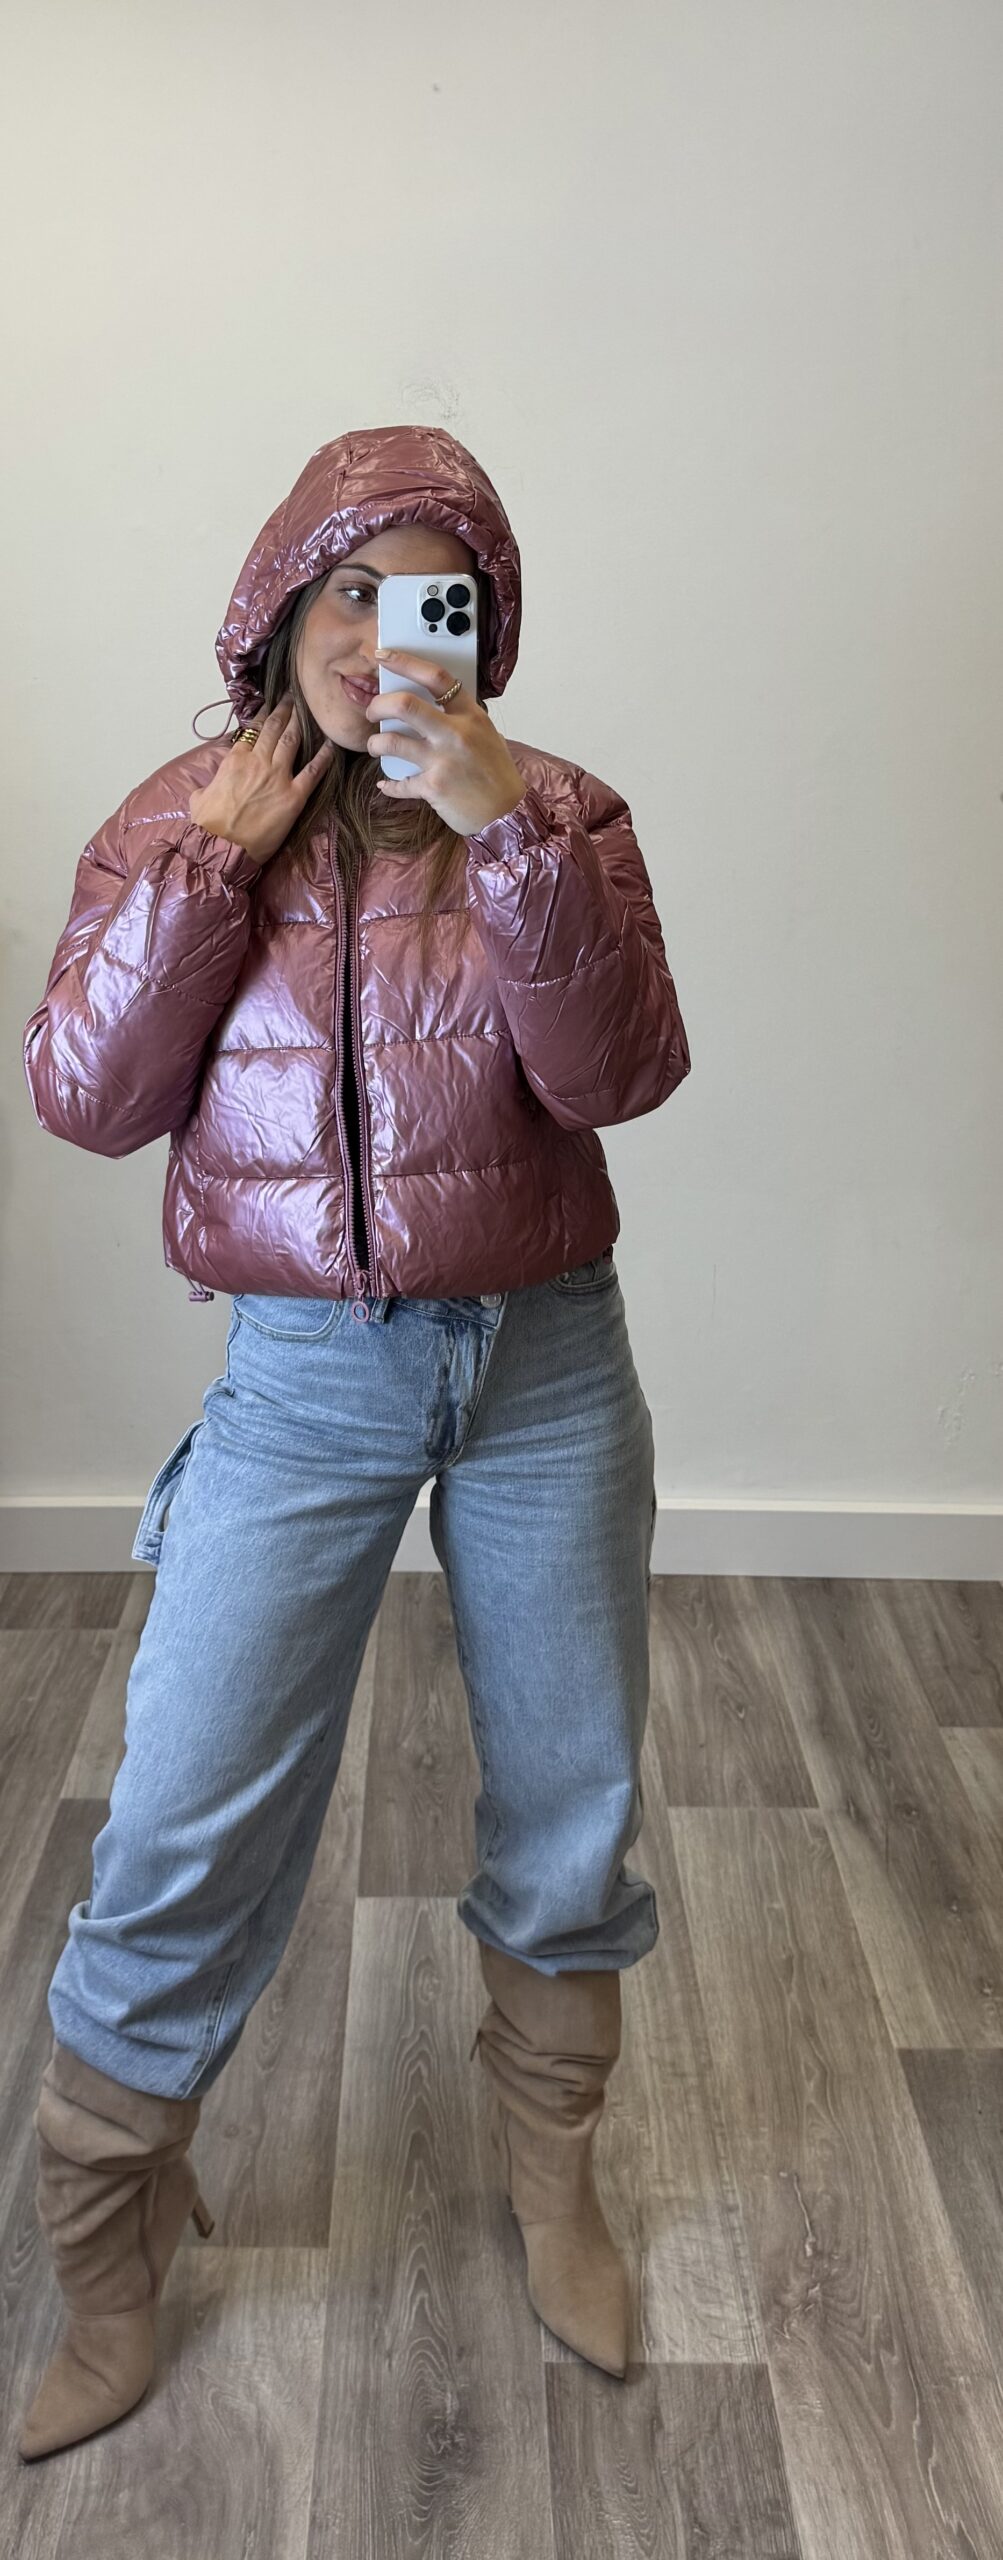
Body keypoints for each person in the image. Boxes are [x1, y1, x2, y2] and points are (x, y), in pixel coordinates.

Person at [18, 422, 691, 2461]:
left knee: (569, 1792)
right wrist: (209, 867)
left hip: (545, 1358)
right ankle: (109, 2253)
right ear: (279, 601)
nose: (377, 639)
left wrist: (507, 840)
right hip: (304, 1373)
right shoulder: (171, 822)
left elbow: (623, 1071)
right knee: (182, 1810)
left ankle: (555, 2181)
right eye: (345, 592)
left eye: (427, 600)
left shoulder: (557, 809)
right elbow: (87, 1099)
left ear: (482, 625)